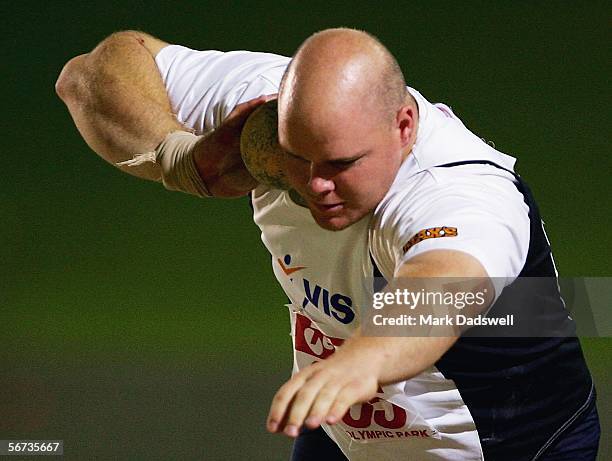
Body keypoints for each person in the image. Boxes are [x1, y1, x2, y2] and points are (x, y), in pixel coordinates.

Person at [56, 28, 599, 460]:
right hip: (346, 427)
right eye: (298, 156)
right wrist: (180, 159)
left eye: (342, 164)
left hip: (501, 442)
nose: (315, 184)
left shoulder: (460, 193)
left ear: (405, 125)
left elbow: (444, 285)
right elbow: (95, 73)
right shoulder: (262, 112)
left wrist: (361, 359)